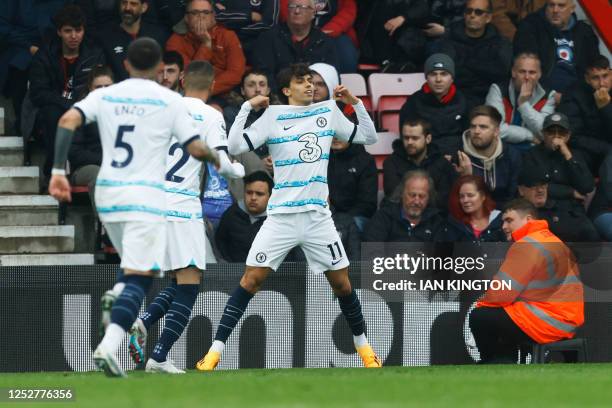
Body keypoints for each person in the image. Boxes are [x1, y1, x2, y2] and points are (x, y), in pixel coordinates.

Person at [48, 37, 219, 378]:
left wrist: (56, 171)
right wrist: (222, 161)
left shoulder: (106, 94)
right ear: (161, 70)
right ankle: (110, 344)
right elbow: (197, 149)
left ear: (125, 65)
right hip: (146, 198)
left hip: (108, 194)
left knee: (131, 270)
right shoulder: (170, 101)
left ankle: (117, 296)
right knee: (140, 277)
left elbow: (67, 120)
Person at [196, 63, 381, 371]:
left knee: (343, 285)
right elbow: (235, 145)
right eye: (301, 81)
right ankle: (214, 353)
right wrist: (246, 107)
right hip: (280, 217)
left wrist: (355, 103)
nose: (309, 85)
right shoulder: (271, 117)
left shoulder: (330, 112)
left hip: (318, 218)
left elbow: (369, 137)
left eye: (311, 81)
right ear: (286, 90)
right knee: (250, 281)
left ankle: (364, 347)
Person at [126, 60, 244, 374]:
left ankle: (145, 323)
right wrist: (239, 169)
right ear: (213, 83)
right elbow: (221, 160)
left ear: (181, 79)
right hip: (182, 207)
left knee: (181, 278)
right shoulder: (210, 115)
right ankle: (159, 356)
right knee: (191, 283)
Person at [470, 198, 584, 364]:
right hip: (567, 321)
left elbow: (502, 293)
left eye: (509, 220)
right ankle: (502, 360)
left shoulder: (526, 245)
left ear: (529, 219)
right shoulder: (553, 240)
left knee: (481, 316)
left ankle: (496, 362)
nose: (504, 227)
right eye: (503, 222)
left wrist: (482, 304)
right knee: (506, 316)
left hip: (545, 321)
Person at [28, 4, 106, 178]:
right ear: (59, 32)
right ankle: (54, 170)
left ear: (84, 30)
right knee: (52, 114)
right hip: (53, 111)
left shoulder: (94, 54)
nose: (73, 36)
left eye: (78, 30)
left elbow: (101, 84)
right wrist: (67, 104)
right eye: (68, 31)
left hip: (87, 108)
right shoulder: (45, 55)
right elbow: (38, 93)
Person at [513, 0, 600, 101]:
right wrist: (549, 94)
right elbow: (525, 69)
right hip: (541, 96)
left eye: (561, 6)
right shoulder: (530, 26)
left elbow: (594, 69)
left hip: (579, 98)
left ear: (572, 8)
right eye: (551, 5)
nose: (555, 10)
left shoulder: (585, 32)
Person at [433, 0, 512, 110]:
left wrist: (467, 63)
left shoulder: (500, 42)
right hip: (458, 97)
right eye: (469, 11)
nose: (472, 15)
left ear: (488, 18)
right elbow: (448, 73)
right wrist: (483, 68)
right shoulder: (449, 39)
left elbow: (502, 73)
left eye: (478, 12)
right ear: (464, 15)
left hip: (491, 97)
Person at [166, 0, 246, 97]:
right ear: (186, 18)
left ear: (213, 17)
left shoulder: (228, 36)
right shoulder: (175, 41)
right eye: (195, 12)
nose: (201, 16)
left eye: (206, 12)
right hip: (187, 92)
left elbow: (235, 74)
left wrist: (205, 90)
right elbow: (192, 76)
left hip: (222, 93)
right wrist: (206, 44)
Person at [252, 0, 338, 86]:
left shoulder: (324, 41)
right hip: (279, 95)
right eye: (292, 7)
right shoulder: (268, 38)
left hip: (314, 95)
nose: (297, 11)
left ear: (313, 13)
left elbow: (331, 77)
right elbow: (263, 76)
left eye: (303, 7)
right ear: (287, 11)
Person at [521, 112, 594, 213]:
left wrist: (567, 155)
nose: (556, 137)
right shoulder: (531, 154)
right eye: (551, 132)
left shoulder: (575, 155)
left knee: (589, 229)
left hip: (572, 211)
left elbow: (587, 187)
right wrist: (570, 192)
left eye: (561, 133)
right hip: (541, 208)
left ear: (568, 136)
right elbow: (535, 187)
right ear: (543, 133)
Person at [452, 105, 522, 207]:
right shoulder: (459, 155)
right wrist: (466, 178)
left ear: (496, 131)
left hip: (503, 213)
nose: (476, 131)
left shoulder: (511, 155)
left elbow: (512, 196)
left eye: (483, 127)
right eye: (473, 126)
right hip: (469, 213)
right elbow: (456, 200)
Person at [398, 53, 468, 154]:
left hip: (458, 158)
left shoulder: (464, 102)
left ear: (452, 78)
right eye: (433, 74)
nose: (438, 79)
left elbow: (470, 138)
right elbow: (408, 140)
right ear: (426, 77)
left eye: (444, 74)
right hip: (425, 160)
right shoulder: (413, 104)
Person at [383, 117, 455, 210]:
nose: (409, 142)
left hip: (434, 218)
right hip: (399, 216)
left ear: (428, 139)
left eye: (415, 138)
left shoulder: (442, 164)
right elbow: (393, 195)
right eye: (406, 138)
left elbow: (444, 200)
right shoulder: (391, 162)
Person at [68, 65, 114, 209]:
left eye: (107, 86)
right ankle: (104, 227)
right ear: (90, 89)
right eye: (98, 87)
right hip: (84, 169)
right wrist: (105, 160)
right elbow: (74, 153)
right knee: (99, 175)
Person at [485, 52, 556, 145]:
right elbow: (493, 129)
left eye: (532, 72)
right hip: (502, 147)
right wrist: (528, 135)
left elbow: (545, 133)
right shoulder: (498, 90)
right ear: (513, 72)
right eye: (522, 72)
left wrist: (523, 104)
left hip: (534, 151)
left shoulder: (548, 95)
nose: (527, 77)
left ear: (539, 74)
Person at [517, 162, 600, 242]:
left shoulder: (562, 208)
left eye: (543, 184)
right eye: (534, 185)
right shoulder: (514, 214)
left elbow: (589, 233)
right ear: (521, 190)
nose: (540, 190)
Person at [558, 55, 612, 174]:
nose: (602, 83)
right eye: (595, 78)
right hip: (587, 152)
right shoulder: (573, 94)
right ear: (587, 79)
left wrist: (606, 108)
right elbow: (572, 136)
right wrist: (607, 149)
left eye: (605, 76)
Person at [363, 170, 445, 242]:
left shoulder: (436, 222)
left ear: (428, 198)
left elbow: (441, 256)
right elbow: (371, 253)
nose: (416, 201)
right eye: (412, 195)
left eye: (422, 196)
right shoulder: (383, 218)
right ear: (402, 194)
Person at [278, 0, 358, 73]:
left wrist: (329, 30)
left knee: (346, 56)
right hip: (299, 31)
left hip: (334, 33)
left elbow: (348, 10)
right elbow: (287, 9)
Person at [96, 0, 169, 81]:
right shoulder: (106, 38)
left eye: (133, 4)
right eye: (124, 3)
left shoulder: (157, 36)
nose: (127, 8)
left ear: (144, 7)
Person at [356, 0, 429, 71]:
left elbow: (422, 7)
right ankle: (386, 61)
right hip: (375, 43)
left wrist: (402, 18)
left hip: (408, 43)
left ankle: (402, 61)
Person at [216, 171, 274, 262]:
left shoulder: (277, 220)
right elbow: (220, 243)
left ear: (270, 196)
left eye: (259, 194)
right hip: (232, 272)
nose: (253, 198)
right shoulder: (231, 214)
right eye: (249, 192)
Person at [213, 0, 279, 64]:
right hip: (225, 43)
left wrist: (235, 28)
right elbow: (217, 15)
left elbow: (269, 24)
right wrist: (250, 15)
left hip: (256, 44)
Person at [444, 174, 506, 242]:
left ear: (483, 196)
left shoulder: (501, 220)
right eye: (462, 196)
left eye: (470, 195)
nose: (465, 200)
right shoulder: (454, 223)